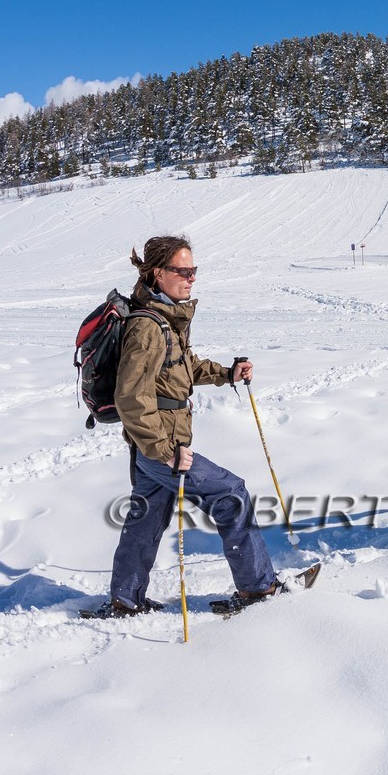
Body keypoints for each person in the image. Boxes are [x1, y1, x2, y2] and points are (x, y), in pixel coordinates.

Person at [91, 235, 281, 617]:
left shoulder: (165, 319)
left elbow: (183, 367)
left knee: (146, 521)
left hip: (156, 447)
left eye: (194, 270)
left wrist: (227, 373)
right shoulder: (148, 327)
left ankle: (125, 599)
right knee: (231, 494)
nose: (191, 278)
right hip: (163, 447)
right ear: (158, 273)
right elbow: (131, 396)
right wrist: (164, 450)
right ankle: (258, 589)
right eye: (183, 270)